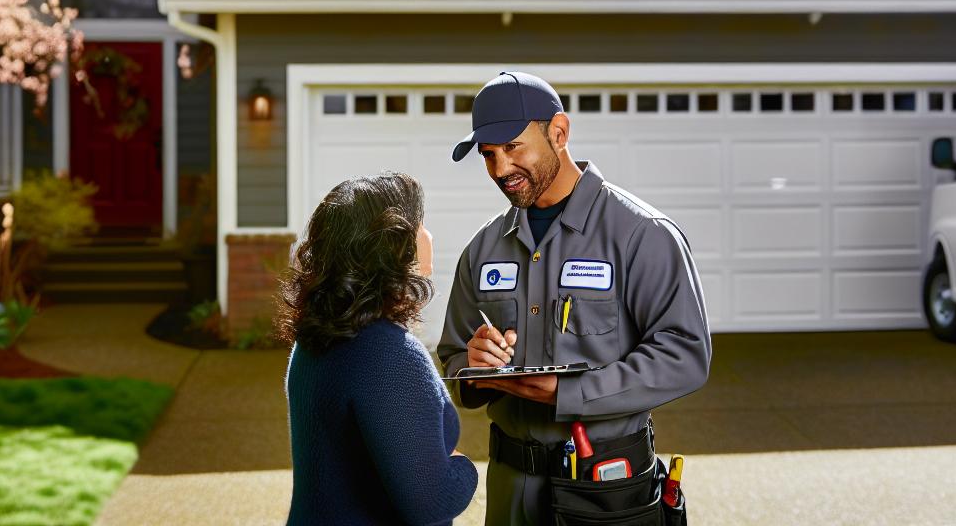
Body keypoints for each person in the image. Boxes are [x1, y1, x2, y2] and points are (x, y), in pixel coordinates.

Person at [436, 71, 711, 525]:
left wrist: (572, 393)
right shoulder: (482, 249)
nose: (500, 169)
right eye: (488, 155)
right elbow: (452, 357)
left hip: (606, 490)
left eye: (512, 147)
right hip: (510, 493)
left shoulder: (642, 235)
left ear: (559, 133)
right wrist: (473, 361)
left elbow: (684, 355)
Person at [280, 172, 478, 526]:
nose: (429, 236)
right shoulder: (390, 355)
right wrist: (460, 463)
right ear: (393, 244)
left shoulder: (314, 340)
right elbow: (432, 502)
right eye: (421, 224)